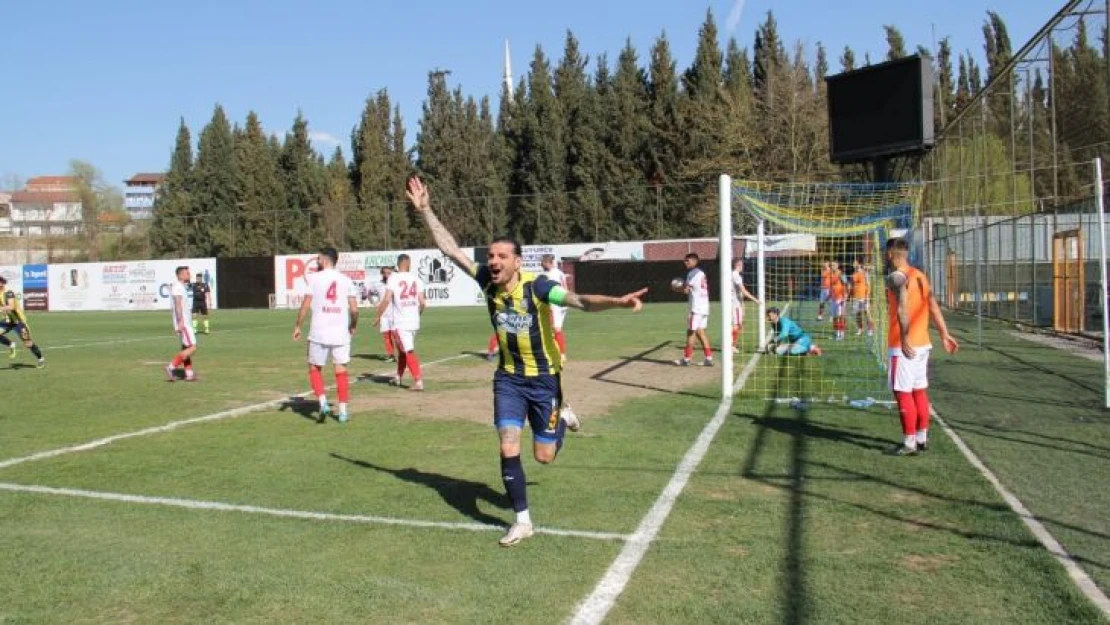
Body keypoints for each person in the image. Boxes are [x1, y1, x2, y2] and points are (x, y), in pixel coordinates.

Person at [406, 176, 647, 547]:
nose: (494, 261)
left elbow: (580, 301)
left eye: (502, 256)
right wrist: (425, 211)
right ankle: (522, 521)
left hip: (545, 379)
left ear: (518, 262)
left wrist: (617, 301)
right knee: (507, 444)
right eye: (491, 256)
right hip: (509, 380)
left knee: (545, 455)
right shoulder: (486, 280)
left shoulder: (538, 287)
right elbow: (451, 250)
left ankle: (562, 417)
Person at [884, 238, 959, 456]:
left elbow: (903, 309)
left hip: (903, 345)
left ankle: (909, 443)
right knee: (919, 390)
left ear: (890, 254)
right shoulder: (920, 276)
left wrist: (905, 338)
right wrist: (945, 334)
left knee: (902, 392)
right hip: (923, 343)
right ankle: (921, 438)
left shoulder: (897, 277)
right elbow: (933, 306)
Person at [293, 247, 359, 423]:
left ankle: (322, 402)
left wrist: (298, 326)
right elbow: (354, 309)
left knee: (314, 368)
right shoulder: (346, 280)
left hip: (319, 332)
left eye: (318, 259)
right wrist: (353, 325)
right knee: (341, 370)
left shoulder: (314, 278)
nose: (317, 262)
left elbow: (306, 304)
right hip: (340, 333)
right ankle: (343, 411)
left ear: (324, 259)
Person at [375, 254, 426, 391]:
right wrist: (417, 314)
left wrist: (378, 315)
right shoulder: (416, 278)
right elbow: (422, 303)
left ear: (398, 265)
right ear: (408, 264)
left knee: (408, 351)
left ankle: (418, 381)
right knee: (403, 351)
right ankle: (398, 377)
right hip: (414, 322)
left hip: (401, 322)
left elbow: (386, 300)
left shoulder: (394, 278)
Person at [672, 253, 713, 366]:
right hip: (704, 307)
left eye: (687, 260)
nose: (685, 262)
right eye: (685, 260)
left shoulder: (693, 273)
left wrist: (676, 288)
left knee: (690, 332)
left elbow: (686, 290)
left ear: (695, 261)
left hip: (696, 308)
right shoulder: (701, 273)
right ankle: (708, 358)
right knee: (700, 332)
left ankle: (686, 359)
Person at [0, 275, 45, 368]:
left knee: (28, 343)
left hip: (19, 322)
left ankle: (40, 359)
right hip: (8, 321)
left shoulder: (8, 293)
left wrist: (1, 308)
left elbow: (11, 306)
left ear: (2, 283)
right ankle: (11, 345)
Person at [165, 266, 197, 382]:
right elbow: (178, 304)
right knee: (193, 347)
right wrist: (180, 321)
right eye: (186, 273)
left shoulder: (181, 287)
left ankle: (189, 374)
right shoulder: (177, 287)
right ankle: (171, 367)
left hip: (185, 321)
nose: (188, 274)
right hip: (183, 323)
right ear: (179, 275)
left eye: (188, 272)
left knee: (186, 347)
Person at [541, 254, 569, 364]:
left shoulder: (550, 275)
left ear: (547, 263)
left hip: (556, 303)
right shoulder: (560, 272)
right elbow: (565, 287)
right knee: (556, 328)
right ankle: (559, 352)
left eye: (542, 262)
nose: (541, 264)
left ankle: (561, 354)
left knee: (555, 329)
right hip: (564, 302)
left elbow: (551, 290)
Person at [365, 266, 396, 362]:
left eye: (389, 273)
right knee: (386, 335)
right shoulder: (378, 284)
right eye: (385, 273)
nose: (387, 275)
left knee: (395, 335)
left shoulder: (395, 284)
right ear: (382, 274)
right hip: (383, 314)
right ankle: (391, 355)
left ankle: (402, 354)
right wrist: (374, 303)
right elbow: (368, 293)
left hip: (395, 313)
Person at [730, 258, 761, 353]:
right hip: (734, 304)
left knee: (737, 325)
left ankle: (731, 344)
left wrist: (742, 305)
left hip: (735, 303)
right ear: (738, 265)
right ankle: (731, 345)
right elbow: (743, 290)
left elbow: (739, 292)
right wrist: (755, 300)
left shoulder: (733, 275)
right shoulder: (736, 276)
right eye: (741, 265)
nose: (742, 267)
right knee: (736, 325)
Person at [851, 259, 874, 336]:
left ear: (859, 264)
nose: (853, 264)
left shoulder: (865, 273)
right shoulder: (854, 273)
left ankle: (870, 329)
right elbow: (853, 285)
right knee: (858, 314)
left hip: (863, 297)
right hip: (856, 297)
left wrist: (867, 297)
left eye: (855, 263)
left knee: (867, 313)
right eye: (853, 263)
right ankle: (860, 329)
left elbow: (868, 285)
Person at [829, 261, 848, 340]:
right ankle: (836, 334)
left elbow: (846, 284)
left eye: (833, 265)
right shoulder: (831, 274)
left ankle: (842, 334)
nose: (832, 266)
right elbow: (831, 285)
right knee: (834, 317)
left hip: (840, 298)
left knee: (840, 316)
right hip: (833, 298)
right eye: (831, 265)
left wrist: (845, 297)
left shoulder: (841, 274)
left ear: (837, 266)